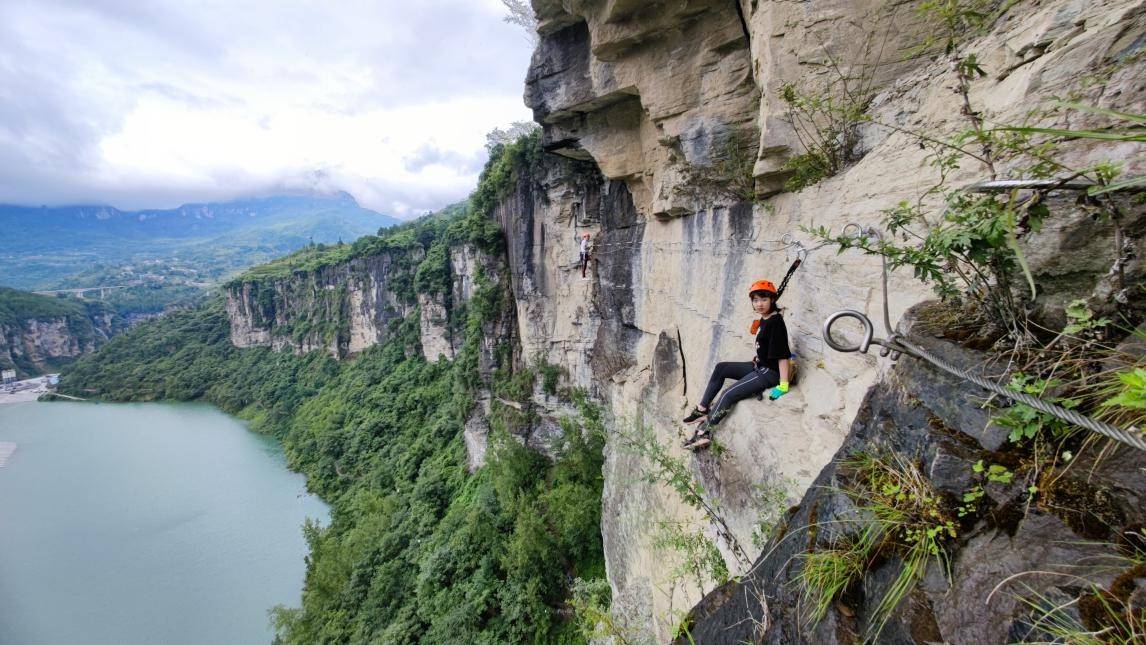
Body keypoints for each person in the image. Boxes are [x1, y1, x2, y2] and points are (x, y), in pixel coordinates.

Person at [682, 279, 791, 450]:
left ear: (772, 300)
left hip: (770, 373)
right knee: (721, 368)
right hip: (760, 365)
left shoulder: (775, 323)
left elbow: (783, 355)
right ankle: (702, 409)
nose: (759, 304)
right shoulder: (765, 318)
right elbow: (766, 345)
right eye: (755, 300)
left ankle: (704, 433)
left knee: (728, 394)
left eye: (764, 299)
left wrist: (783, 384)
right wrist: (758, 357)